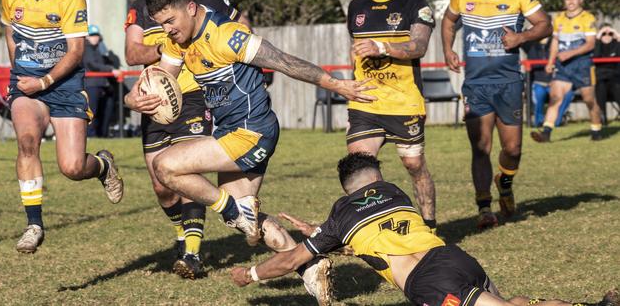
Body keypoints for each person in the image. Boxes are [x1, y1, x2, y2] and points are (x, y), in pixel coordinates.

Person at [124, 0, 375, 305]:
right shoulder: (178, 42)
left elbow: (285, 62)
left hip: (252, 132)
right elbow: (160, 80)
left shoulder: (228, 36)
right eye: (161, 24)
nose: (168, 30)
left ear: (191, 7)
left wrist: (337, 85)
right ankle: (311, 267)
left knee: (164, 165)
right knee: (248, 224)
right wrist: (134, 100)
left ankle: (231, 208)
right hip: (231, 133)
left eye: (170, 21)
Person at [230, 153, 619, 306]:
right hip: (455, 258)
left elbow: (291, 260)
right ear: (376, 178)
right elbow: (378, 234)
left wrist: (250, 274)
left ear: (346, 188)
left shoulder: (342, 214)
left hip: (429, 279)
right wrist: (326, 232)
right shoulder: (395, 192)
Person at [123, 0, 250, 279]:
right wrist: (168, 43)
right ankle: (183, 234)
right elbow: (132, 53)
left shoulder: (207, 1)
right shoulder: (142, 5)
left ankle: (192, 254)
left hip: (195, 97)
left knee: (187, 172)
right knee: (162, 186)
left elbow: (244, 29)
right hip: (156, 98)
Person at [1, 0, 123, 253]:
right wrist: (19, 73)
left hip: (64, 84)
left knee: (72, 167)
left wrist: (44, 81)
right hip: (28, 84)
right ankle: (34, 225)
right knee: (27, 142)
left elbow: (76, 51)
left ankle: (102, 166)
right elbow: (10, 32)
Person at [441, 0, 552, 229]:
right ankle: (484, 208)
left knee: (512, 149)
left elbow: (545, 25)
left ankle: (504, 180)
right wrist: (447, 49)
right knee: (481, 147)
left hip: (509, 83)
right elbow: (448, 20)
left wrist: (521, 37)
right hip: (477, 85)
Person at [346, 0, 437, 232]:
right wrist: (351, 81)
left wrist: (382, 47)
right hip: (367, 101)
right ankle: (380, 225)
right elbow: (356, 49)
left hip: (403, 102)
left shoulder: (416, 5)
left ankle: (429, 226)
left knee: (413, 165)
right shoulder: (356, 6)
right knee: (359, 165)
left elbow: (419, 46)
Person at [531, 0, 602, 142]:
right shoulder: (559, 19)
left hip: (582, 65)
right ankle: (546, 133)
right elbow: (555, 42)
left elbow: (590, 44)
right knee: (555, 97)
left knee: (589, 100)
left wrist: (570, 53)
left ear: (580, 0)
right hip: (563, 66)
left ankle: (596, 129)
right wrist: (550, 61)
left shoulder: (588, 18)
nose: (571, 2)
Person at [522, 35, 574, 127]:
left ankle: (556, 121)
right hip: (538, 82)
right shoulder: (530, 45)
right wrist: (531, 31)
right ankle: (539, 122)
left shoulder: (557, 42)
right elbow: (520, 37)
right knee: (539, 94)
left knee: (567, 94)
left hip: (555, 81)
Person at [83, 24, 120, 138]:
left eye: (96, 35)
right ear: (87, 37)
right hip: (91, 85)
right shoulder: (86, 48)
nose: (95, 37)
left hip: (100, 84)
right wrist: (111, 69)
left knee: (101, 112)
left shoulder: (98, 49)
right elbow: (92, 64)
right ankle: (91, 135)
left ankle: (100, 135)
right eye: (92, 35)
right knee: (92, 112)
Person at [593, 24, 620, 125]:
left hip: (616, 77)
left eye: (610, 34)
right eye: (604, 34)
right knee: (601, 87)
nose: (607, 36)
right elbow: (596, 56)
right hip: (601, 78)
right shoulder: (598, 45)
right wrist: (598, 39)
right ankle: (602, 117)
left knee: (617, 87)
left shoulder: (616, 45)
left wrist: (617, 36)